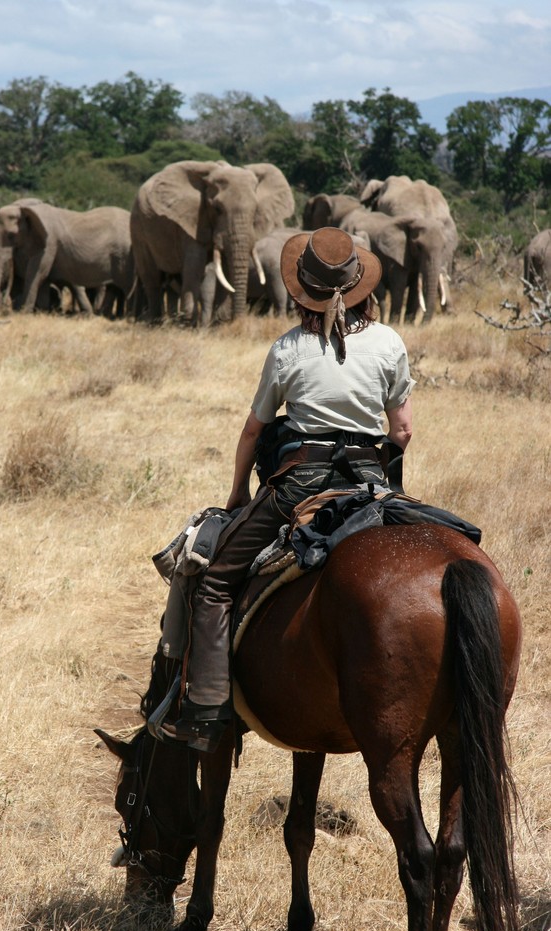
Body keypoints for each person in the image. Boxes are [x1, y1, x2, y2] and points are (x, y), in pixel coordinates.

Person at [158, 227, 414, 752]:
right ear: (359, 285)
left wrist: (235, 496)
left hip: (298, 485)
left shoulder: (288, 349)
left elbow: (254, 430)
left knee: (214, 582)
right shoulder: (390, 342)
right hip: (369, 483)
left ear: (302, 292)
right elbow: (403, 430)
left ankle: (206, 708)